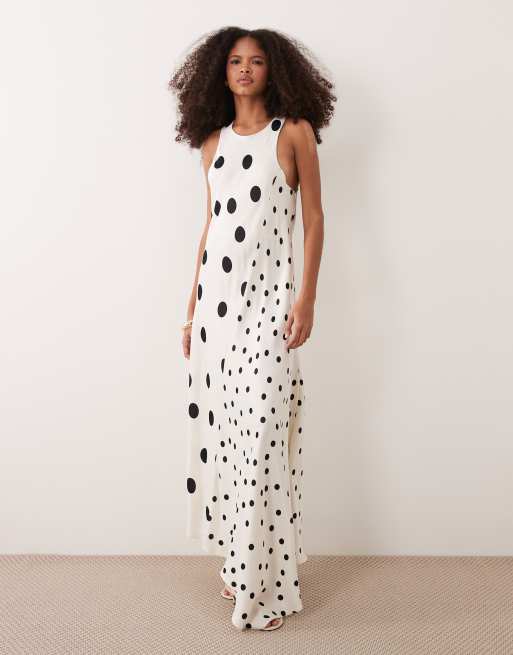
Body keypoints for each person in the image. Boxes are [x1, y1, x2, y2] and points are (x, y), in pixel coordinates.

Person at [169, 26, 335, 631]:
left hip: (268, 309)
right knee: (232, 443)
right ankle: (240, 566)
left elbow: (313, 219)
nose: (245, 69)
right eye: (236, 60)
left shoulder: (293, 134)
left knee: (263, 436)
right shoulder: (212, 143)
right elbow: (211, 230)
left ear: (274, 70)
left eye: (257, 61)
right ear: (220, 70)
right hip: (216, 314)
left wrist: (306, 299)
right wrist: (191, 311)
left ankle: (261, 585)